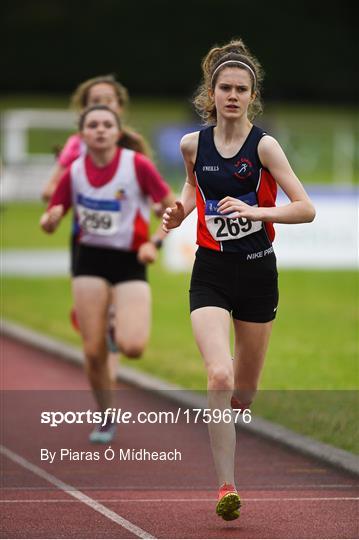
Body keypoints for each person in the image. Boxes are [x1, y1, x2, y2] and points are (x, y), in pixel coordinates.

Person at [163, 38, 315, 521]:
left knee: (243, 392)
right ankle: (226, 486)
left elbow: (305, 208)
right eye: (225, 87)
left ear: (252, 96)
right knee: (219, 374)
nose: (233, 95)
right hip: (209, 270)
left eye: (241, 89)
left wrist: (255, 209)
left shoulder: (263, 146)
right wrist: (178, 212)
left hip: (257, 272)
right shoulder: (194, 144)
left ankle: (225, 410)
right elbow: (192, 188)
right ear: (212, 92)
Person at [40, 104, 175, 443]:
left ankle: (117, 329)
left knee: (132, 347)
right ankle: (105, 417)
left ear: (117, 132)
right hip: (91, 261)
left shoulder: (137, 166)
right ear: (83, 134)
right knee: (92, 351)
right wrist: (51, 219)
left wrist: (154, 243)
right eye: (93, 125)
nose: (100, 130)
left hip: (130, 260)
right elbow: (54, 212)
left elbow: (172, 209)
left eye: (106, 125)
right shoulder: (74, 172)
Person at [41, 75, 153, 379]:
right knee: (97, 320)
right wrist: (63, 199)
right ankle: (105, 350)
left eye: (108, 101)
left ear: (119, 107)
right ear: (83, 111)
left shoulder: (132, 147)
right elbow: (50, 191)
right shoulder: (76, 146)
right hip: (85, 240)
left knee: (118, 316)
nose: (102, 107)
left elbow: (146, 189)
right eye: (95, 103)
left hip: (125, 241)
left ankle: (115, 334)